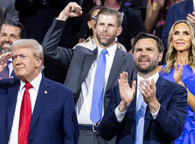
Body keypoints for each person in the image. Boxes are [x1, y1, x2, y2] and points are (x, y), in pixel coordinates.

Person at [42, 2, 137, 143]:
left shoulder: (130, 61)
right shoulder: (80, 54)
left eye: (110, 25)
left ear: (119, 31)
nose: (105, 29)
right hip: (78, 133)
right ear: (95, 27)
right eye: (101, 24)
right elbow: (48, 49)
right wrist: (64, 15)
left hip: (112, 136)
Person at [0, 39, 79, 144]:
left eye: (23, 56)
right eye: (14, 58)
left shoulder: (61, 94)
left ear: (38, 61)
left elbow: (70, 137)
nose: (17, 61)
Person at [99, 32, 187, 144]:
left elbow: (175, 131)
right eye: (139, 50)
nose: (143, 54)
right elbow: (105, 134)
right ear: (133, 55)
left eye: (149, 50)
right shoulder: (119, 90)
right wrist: (122, 106)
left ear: (160, 56)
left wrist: (154, 104)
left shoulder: (176, 91)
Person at [159, 20, 195, 144]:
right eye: (176, 33)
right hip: (162, 130)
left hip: (189, 132)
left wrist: (180, 85)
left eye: (186, 33)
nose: (180, 37)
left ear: (192, 38)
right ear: (171, 38)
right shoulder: (159, 70)